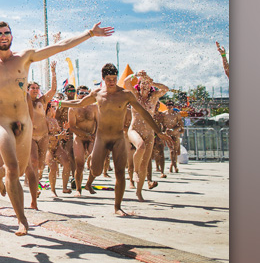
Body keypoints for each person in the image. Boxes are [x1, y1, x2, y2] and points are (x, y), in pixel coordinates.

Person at [0, 0, 113, 236]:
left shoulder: (25, 57)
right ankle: (22, 220)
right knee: (13, 170)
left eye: (6, 32)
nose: (3, 36)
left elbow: (60, 46)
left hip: (25, 121)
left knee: (20, 170)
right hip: (2, 122)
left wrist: (89, 33)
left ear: (11, 35)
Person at [58, 63, 172, 214]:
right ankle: (92, 161)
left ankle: (118, 207)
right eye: (108, 79)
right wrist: (59, 102)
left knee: (120, 172)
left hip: (118, 138)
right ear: (103, 78)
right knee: (96, 171)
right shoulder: (97, 93)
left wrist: (158, 131)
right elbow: (79, 103)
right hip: (102, 138)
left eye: (114, 78)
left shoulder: (125, 95)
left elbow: (144, 113)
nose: (112, 81)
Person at [125, 70, 174, 201]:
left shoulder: (154, 97)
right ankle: (134, 172)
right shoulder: (134, 95)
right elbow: (126, 82)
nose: (145, 86)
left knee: (145, 163)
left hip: (149, 133)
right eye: (142, 83)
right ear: (139, 85)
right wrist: (135, 75)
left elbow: (166, 89)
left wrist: (153, 82)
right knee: (140, 147)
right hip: (134, 129)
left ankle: (139, 192)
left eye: (147, 84)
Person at [24, 64, 57, 209]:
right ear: (27, 89)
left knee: (41, 164)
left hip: (43, 136)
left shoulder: (42, 101)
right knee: (35, 161)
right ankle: (35, 188)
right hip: (30, 136)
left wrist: (53, 72)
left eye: (37, 88)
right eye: (33, 88)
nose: (35, 90)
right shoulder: (24, 100)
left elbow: (54, 90)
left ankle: (34, 180)